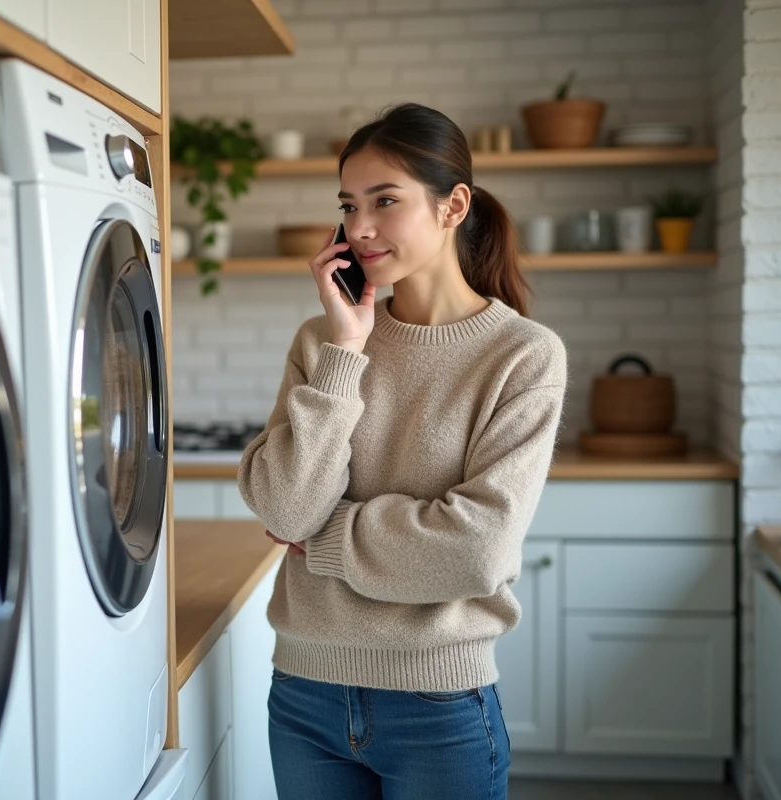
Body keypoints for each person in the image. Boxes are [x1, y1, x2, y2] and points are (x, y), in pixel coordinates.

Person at [237, 102, 568, 800]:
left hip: (439, 707)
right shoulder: (322, 341)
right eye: (348, 205)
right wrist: (347, 349)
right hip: (303, 695)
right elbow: (285, 508)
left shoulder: (524, 356)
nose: (360, 227)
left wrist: (323, 540)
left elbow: (475, 550)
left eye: (385, 201)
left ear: (454, 206)